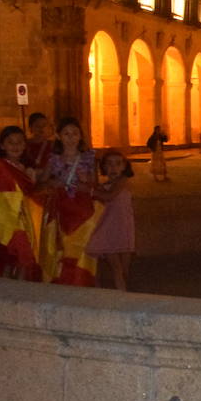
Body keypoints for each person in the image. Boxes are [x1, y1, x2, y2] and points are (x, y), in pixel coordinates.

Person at [40, 118, 102, 286]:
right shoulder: (54, 160)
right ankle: (65, 279)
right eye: (66, 133)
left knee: (83, 243)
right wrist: (54, 183)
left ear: (80, 136)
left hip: (82, 206)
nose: (71, 137)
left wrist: (86, 180)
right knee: (64, 243)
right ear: (59, 136)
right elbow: (43, 182)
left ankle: (84, 278)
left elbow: (95, 184)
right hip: (62, 206)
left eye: (75, 133)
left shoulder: (88, 158)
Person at [0, 126, 43, 281]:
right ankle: (6, 291)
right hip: (5, 221)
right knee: (8, 257)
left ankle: (18, 291)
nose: (15, 146)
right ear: (2, 145)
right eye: (10, 142)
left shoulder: (27, 169)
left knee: (23, 257)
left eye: (20, 142)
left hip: (23, 221)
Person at [88, 150, 136, 290]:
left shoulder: (123, 181)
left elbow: (109, 196)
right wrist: (93, 164)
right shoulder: (104, 186)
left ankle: (122, 292)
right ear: (103, 167)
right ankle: (119, 297)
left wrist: (89, 190)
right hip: (108, 229)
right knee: (116, 267)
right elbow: (96, 187)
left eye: (117, 164)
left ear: (124, 166)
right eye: (109, 164)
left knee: (124, 269)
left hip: (123, 228)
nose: (113, 168)